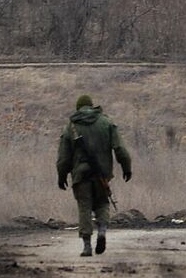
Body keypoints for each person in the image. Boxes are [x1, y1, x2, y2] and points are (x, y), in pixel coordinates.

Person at [56, 95, 132, 257]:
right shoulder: (106, 122)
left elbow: (63, 157)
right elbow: (120, 149)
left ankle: (87, 246)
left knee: (84, 207)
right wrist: (126, 167)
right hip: (102, 175)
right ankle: (102, 231)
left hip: (80, 175)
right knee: (103, 203)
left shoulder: (71, 126)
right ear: (92, 105)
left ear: (78, 108)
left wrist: (61, 176)